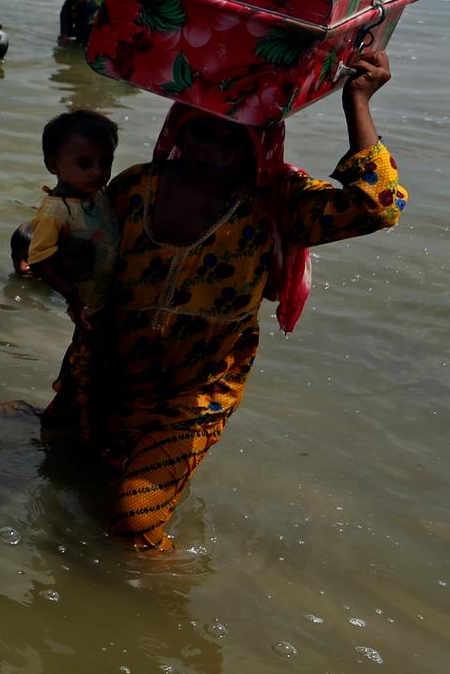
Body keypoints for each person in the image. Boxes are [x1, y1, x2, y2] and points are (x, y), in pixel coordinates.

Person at [42, 50, 406, 552]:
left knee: (133, 524)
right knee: (56, 462)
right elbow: (74, 237)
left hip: (193, 395)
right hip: (104, 368)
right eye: (202, 132)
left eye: (234, 137)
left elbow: (376, 205)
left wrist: (357, 100)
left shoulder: (277, 202)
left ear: (260, 141)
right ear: (180, 131)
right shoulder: (136, 186)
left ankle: (160, 608)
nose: (214, 151)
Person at [24, 110, 120, 323]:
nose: (97, 172)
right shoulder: (55, 212)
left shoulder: (98, 194)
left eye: (105, 162)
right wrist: (70, 295)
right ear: (53, 165)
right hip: (88, 303)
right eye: (84, 164)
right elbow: (39, 259)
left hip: (112, 293)